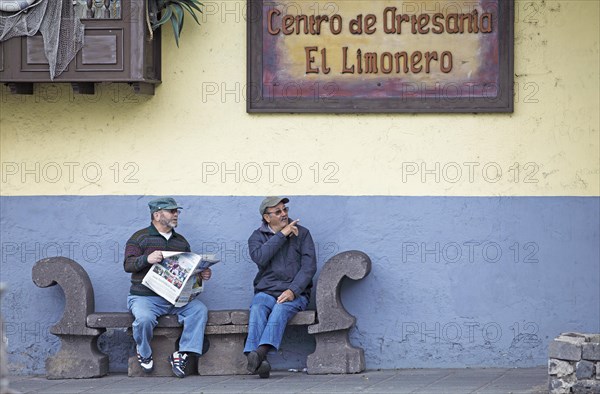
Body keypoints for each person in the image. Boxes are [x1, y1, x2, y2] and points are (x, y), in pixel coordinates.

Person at [124, 197, 212, 378]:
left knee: (199, 310)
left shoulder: (181, 241)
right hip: (145, 298)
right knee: (144, 319)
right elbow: (128, 265)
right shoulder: (139, 238)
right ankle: (144, 351)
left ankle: (182, 353)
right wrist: (146, 259)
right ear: (157, 215)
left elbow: (186, 269)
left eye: (176, 211)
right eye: (171, 211)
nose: (176, 214)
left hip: (175, 298)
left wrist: (201, 274)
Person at [244, 196, 317, 378]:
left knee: (280, 308)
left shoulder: (303, 233)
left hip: (295, 292)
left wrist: (293, 290)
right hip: (266, 290)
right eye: (278, 212)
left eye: (285, 210)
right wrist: (283, 234)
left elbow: (309, 267)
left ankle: (257, 354)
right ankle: (259, 359)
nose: (284, 214)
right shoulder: (256, 237)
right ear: (267, 218)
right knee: (258, 307)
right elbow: (260, 257)